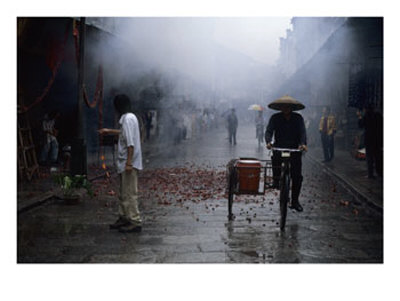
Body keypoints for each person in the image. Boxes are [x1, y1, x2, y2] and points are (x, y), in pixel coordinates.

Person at [98, 94, 143, 233]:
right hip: (125, 163)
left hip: (128, 163)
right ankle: (124, 216)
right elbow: (124, 134)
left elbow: (130, 143)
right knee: (123, 192)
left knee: (130, 193)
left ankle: (135, 221)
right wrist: (109, 131)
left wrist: (129, 163)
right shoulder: (129, 118)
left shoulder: (128, 119)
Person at [265, 98, 307, 212]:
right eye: (284, 106)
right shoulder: (275, 118)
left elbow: (303, 132)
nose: (286, 109)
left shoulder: (298, 118)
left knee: (297, 176)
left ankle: (295, 201)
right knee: (276, 160)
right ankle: (276, 181)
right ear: (280, 108)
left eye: (288, 107)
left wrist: (303, 144)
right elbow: (269, 131)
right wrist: (268, 142)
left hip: (294, 148)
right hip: (279, 147)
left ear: (292, 108)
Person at [357, 104, 383, 179]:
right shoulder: (378, 115)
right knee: (378, 157)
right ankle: (380, 173)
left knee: (369, 158)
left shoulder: (366, 116)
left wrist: (359, 116)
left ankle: (370, 174)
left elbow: (360, 125)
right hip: (378, 139)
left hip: (369, 140)